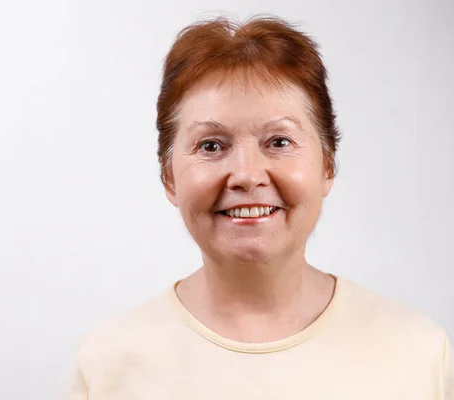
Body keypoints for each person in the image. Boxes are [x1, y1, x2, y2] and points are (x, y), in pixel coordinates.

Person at [61, 16, 453, 399]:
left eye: (279, 142)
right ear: (169, 178)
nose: (247, 175)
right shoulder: (108, 364)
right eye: (211, 146)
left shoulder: (418, 353)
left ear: (327, 166)